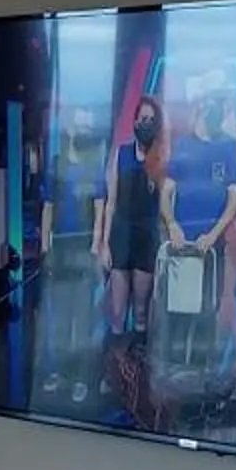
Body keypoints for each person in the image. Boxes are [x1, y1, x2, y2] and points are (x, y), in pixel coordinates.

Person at [155, 91, 236, 397]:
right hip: (182, 248)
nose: (212, 108)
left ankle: (202, 375)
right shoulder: (183, 146)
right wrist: (172, 225)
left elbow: (235, 199)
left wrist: (215, 234)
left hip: (211, 249)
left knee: (208, 311)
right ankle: (174, 373)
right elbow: (165, 194)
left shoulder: (230, 148)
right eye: (207, 102)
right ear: (199, 107)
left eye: (217, 103)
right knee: (178, 311)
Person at [96, 96, 166, 414]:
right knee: (117, 311)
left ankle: (137, 379)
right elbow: (110, 202)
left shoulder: (161, 157)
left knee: (140, 311)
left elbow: (166, 205)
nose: (145, 124)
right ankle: (110, 376)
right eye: (142, 118)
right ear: (134, 120)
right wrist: (104, 244)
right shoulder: (121, 153)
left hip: (147, 237)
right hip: (121, 233)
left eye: (152, 119)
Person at [37, 106, 108, 403]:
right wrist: (44, 244)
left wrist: (95, 244)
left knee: (82, 319)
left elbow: (100, 208)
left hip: (83, 251)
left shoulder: (94, 167)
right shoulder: (56, 165)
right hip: (60, 250)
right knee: (60, 320)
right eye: (78, 125)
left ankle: (80, 378)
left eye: (86, 126)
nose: (82, 131)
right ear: (69, 130)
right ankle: (60, 374)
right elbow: (48, 207)